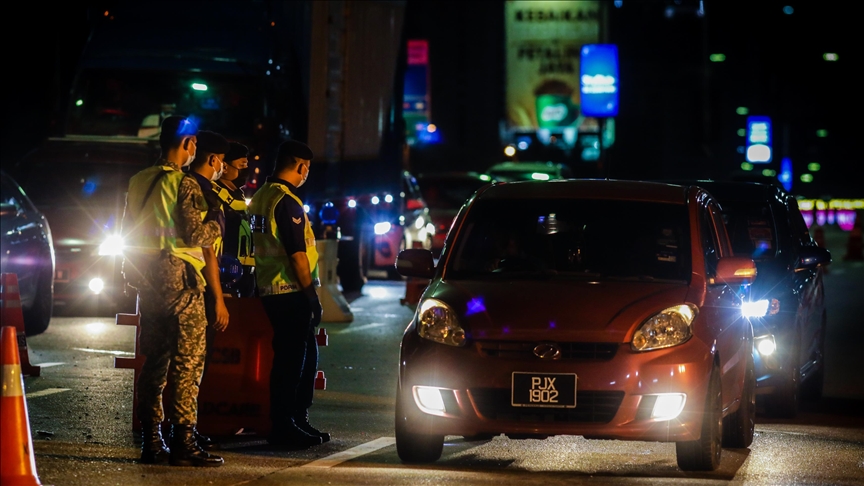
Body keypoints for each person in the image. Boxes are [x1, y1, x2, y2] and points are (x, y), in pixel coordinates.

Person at [120, 116, 224, 467]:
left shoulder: (138, 181)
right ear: (187, 144)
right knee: (187, 363)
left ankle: (152, 441)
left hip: (147, 279)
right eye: (193, 143)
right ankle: (184, 442)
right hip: (180, 278)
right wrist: (217, 220)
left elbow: (126, 232)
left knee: (155, 363)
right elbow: (196, 235)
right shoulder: (184, 184)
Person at [249, 139, 329, 449]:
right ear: (300, 167)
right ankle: (286, 423)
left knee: (294, 358)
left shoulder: (260, 198)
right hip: (291, 291)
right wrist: (311, 296)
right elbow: (298, 256)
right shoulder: (287, 202)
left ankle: (293, 421)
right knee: (294, 362)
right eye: (306, 168)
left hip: (271, 289)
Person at [185, 130, 232, 451]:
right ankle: (183, 434)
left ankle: (179, 431)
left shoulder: (182, 185)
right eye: (224, 162)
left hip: (180, 282)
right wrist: (218, 298)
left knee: (181, 365)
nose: (224, 167)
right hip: (195, 284)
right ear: (214, 160)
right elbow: (207, 249)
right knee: (191, 365)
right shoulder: (202, 193)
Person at [212, 141, 256, 297]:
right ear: (224, 167)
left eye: (247, 165)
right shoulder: (215, 195)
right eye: (241, 165)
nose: (245, 171)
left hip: (245, 277)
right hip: (225, 278)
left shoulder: (238, 196)